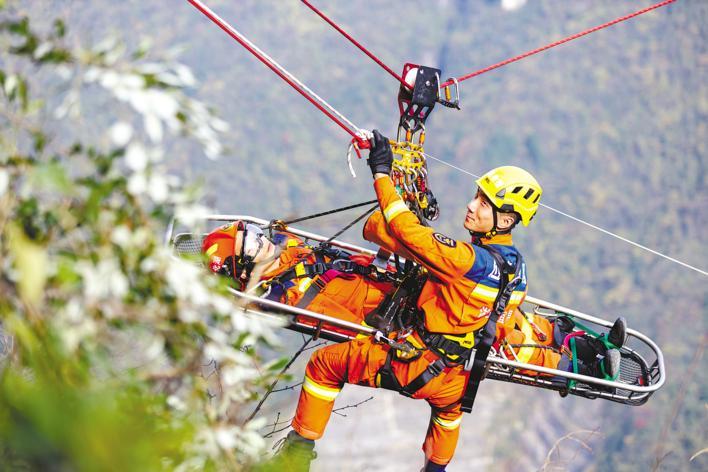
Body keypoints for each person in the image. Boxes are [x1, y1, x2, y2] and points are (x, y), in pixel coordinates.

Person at [201, 131, 625, 470]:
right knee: (514, 333)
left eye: (484, 203)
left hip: (415, 361)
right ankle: (584, 354)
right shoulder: (514, 264)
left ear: (507, 218)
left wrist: (382, 173)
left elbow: (407, 231)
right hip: (457, 372)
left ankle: (296, 456)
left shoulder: (467, 260)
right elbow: (490, 308)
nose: (471, 206)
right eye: (477, 196)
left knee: (324, 365)